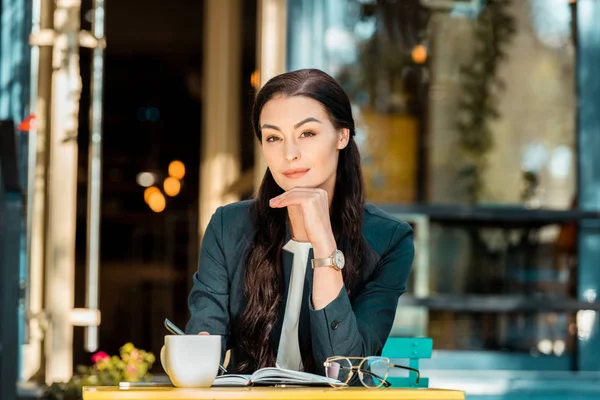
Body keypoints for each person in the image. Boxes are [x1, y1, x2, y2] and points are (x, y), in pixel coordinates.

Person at [185, 68, 414, 375]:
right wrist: (199, 349)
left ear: (342, 136)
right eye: (273, 137)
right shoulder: (229, 226)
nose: (289, 153)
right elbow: (204, 341)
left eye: (307, 133)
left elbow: (345, 369)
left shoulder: (389, 239)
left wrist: (324, 247)